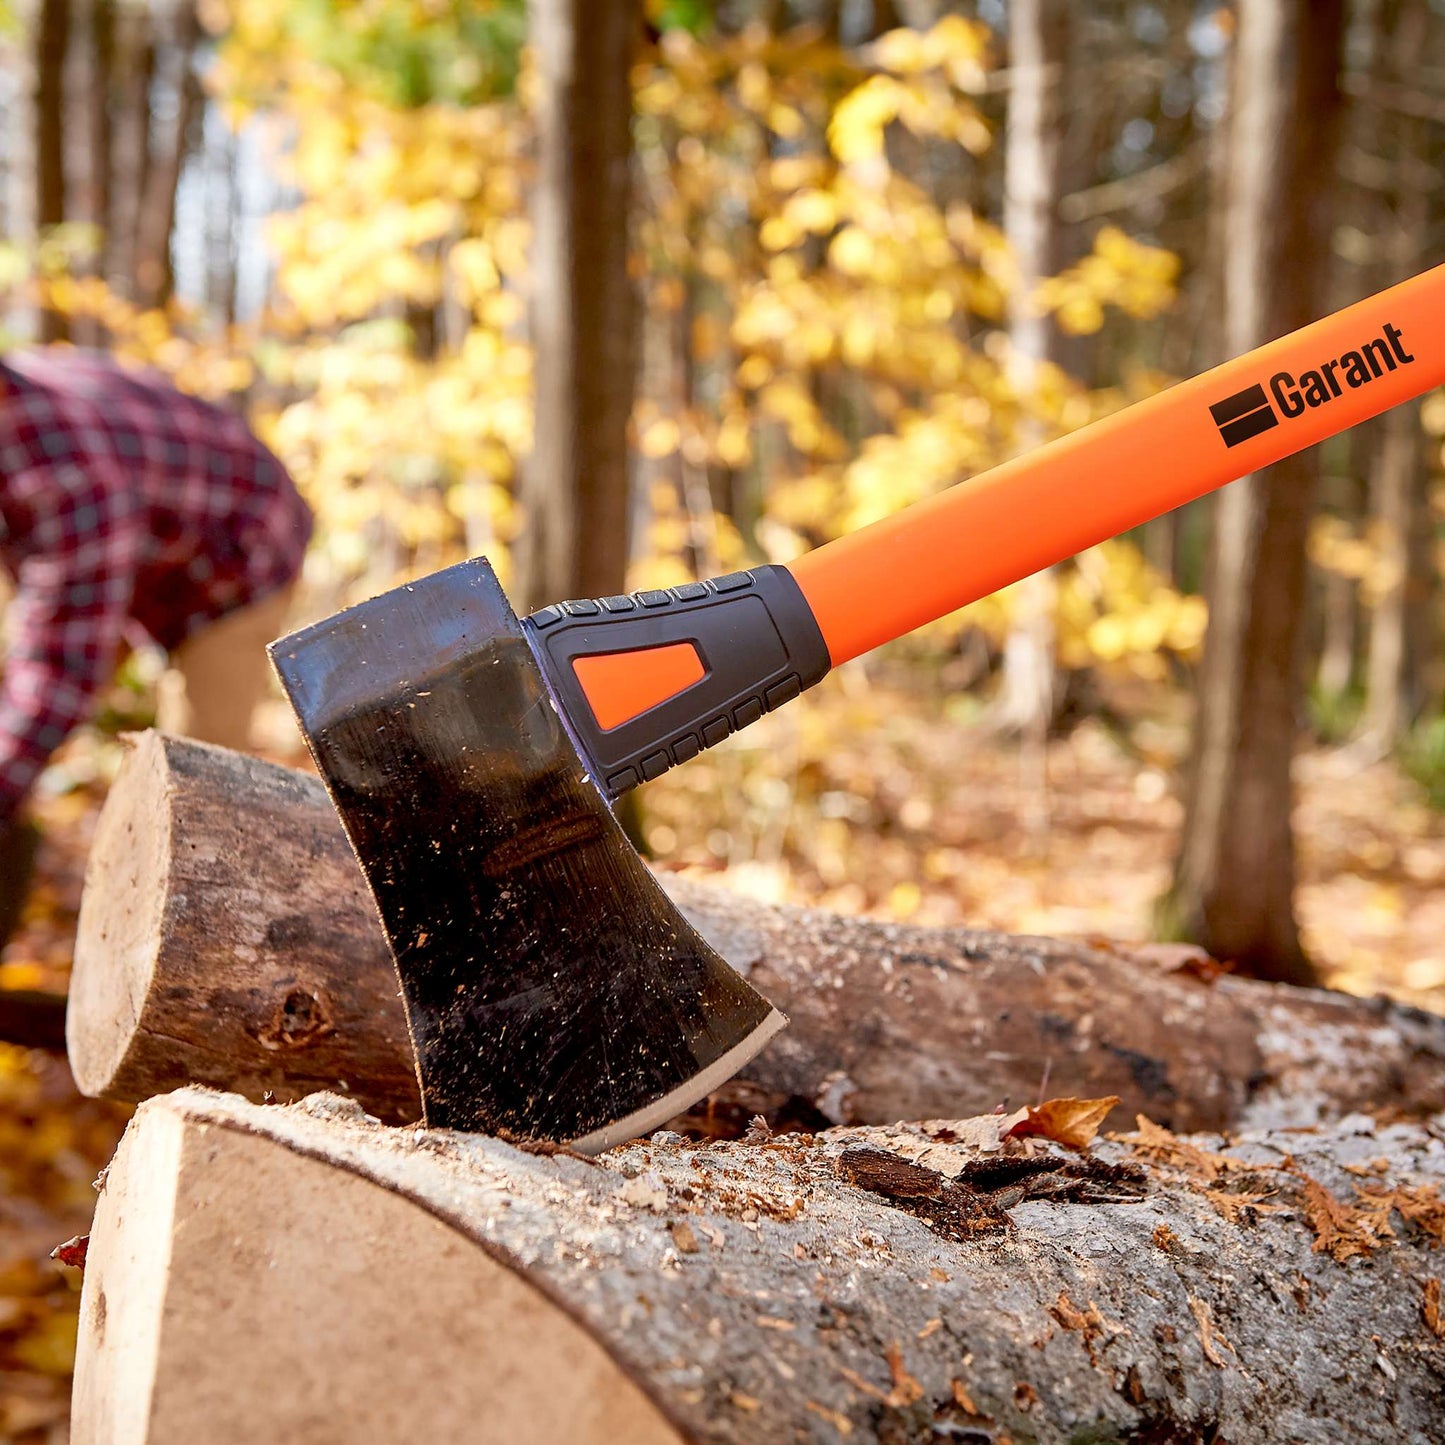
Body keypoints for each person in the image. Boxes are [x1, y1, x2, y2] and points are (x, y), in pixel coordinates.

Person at [0, 347, 313, 938]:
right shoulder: (22, 410)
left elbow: (58, 674)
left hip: (241, 551)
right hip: (145, 540)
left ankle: (203, 951)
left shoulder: (64, 478)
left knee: (194, 788)